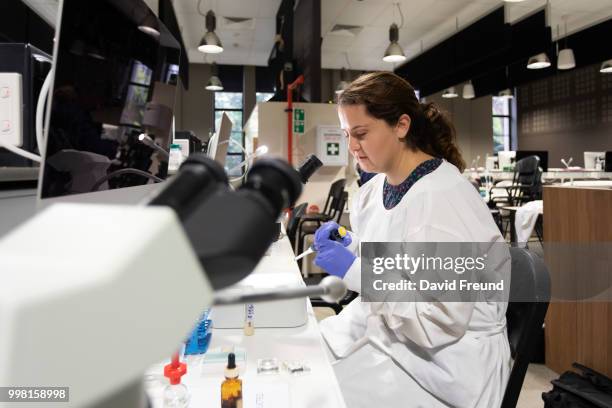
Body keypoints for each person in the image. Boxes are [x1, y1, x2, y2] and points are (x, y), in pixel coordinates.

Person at [314, 72, 511, 408]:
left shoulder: (441, 198)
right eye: (347, 134)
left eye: (361, 133)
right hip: (398, 335)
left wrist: (356, 271)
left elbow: (439, 318)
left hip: (446, 366)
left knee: (320, 397)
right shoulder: (377, 188)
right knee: (307, 361)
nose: (352, 147)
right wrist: (353, 247)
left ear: (401, 126)